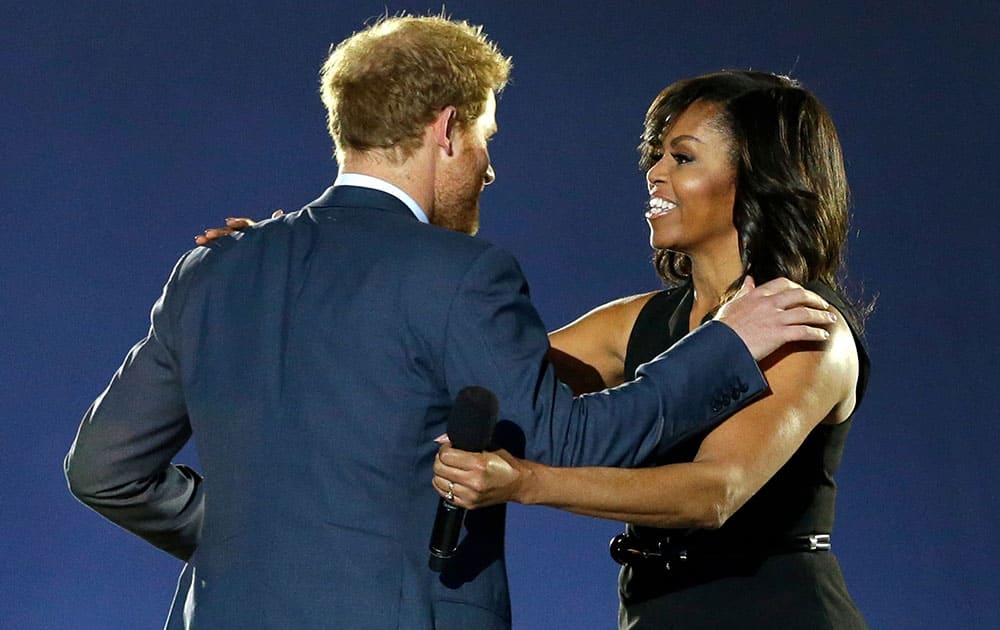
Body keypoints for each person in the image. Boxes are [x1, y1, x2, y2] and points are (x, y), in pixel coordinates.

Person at [65, 16, 833, 628]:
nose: (489, 170)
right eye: (486, 140)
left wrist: (250, 540)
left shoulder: (216, 270)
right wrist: (729, 346)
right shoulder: (461, 275)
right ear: (447, 130)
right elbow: (560, 433)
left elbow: (102, 468)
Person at [432, 70, 870, 629]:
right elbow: (494, 382)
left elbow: (715, 490)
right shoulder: (633, 322)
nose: (655, 174)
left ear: (758, 176)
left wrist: (525, 482)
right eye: (657, 156)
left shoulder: (805, 326)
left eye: (682, 158)